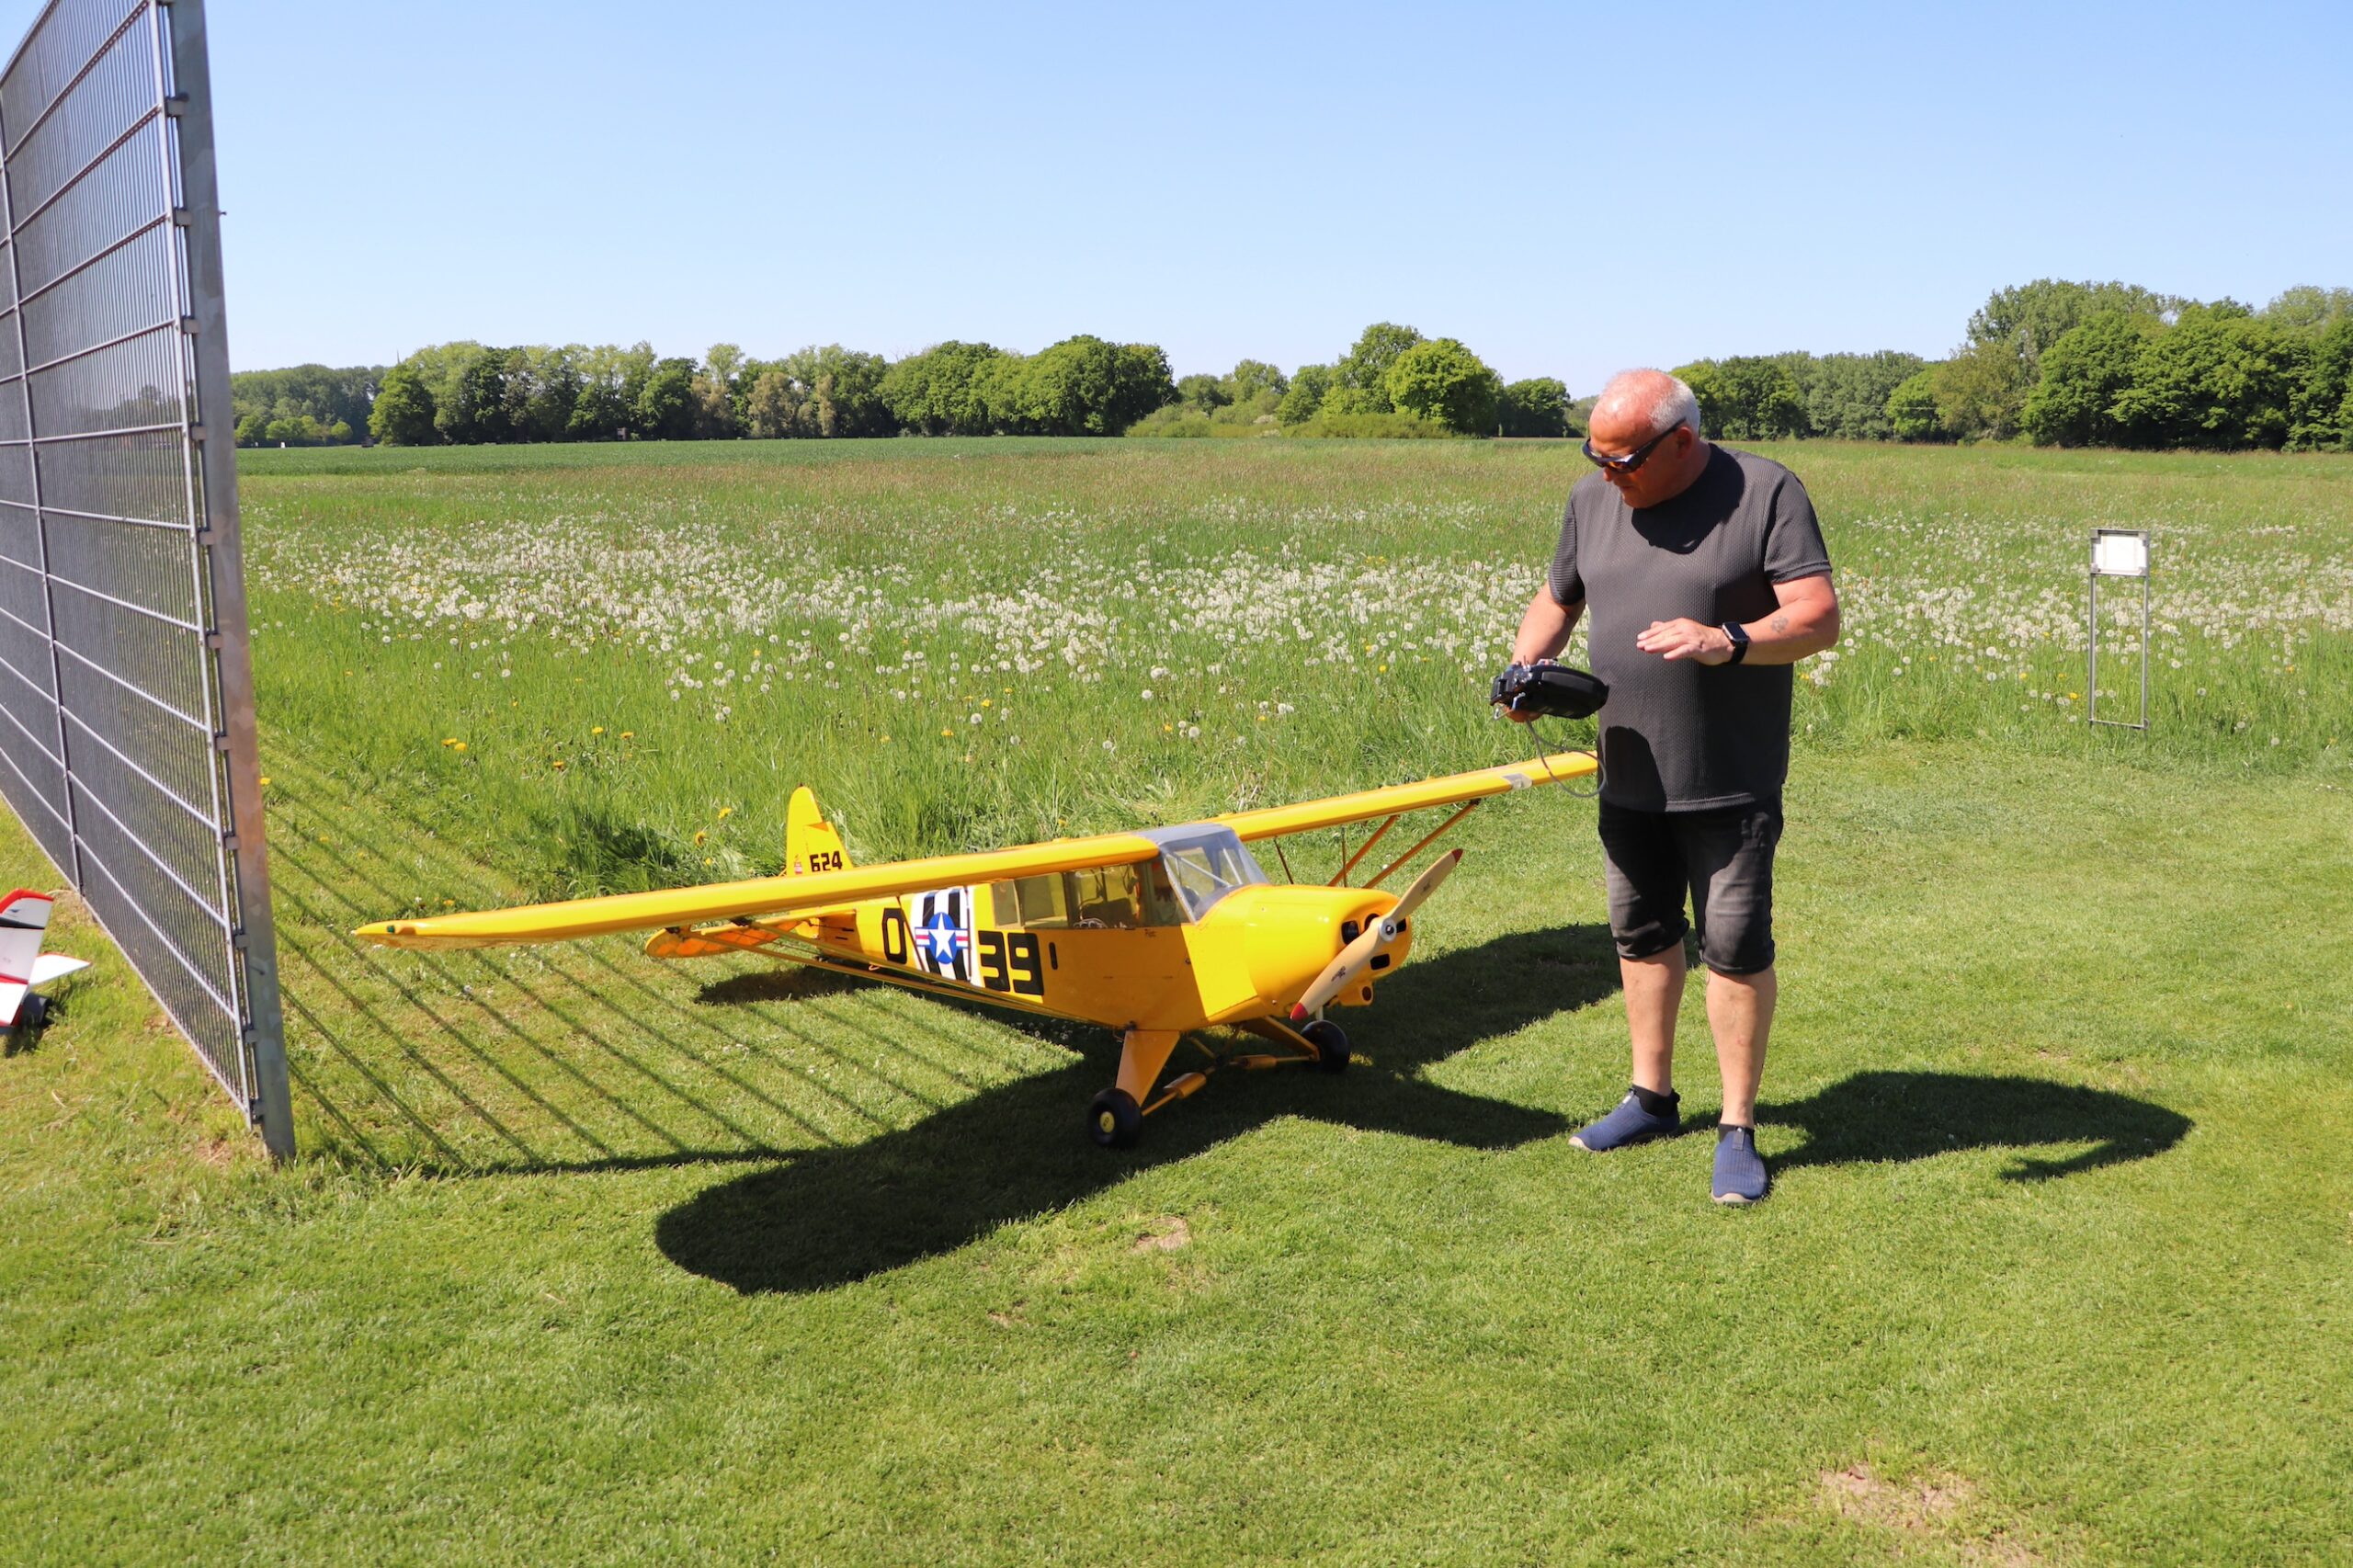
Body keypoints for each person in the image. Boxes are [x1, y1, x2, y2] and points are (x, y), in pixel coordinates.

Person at [1506, 369, 1838, 1203]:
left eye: (1621, 460)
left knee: (1733, 946)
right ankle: (1650, 1099)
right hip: (1629, 773)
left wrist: (1727, 639)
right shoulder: (1592, 500)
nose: (1605, 474)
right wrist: (1524, 671)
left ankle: (1737, 1127)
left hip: (1727, 779)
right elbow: (1557, 600)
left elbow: (1816, 616)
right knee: (1642, 934)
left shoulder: (1765, 493)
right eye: (1594, 456)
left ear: (1681, 441)